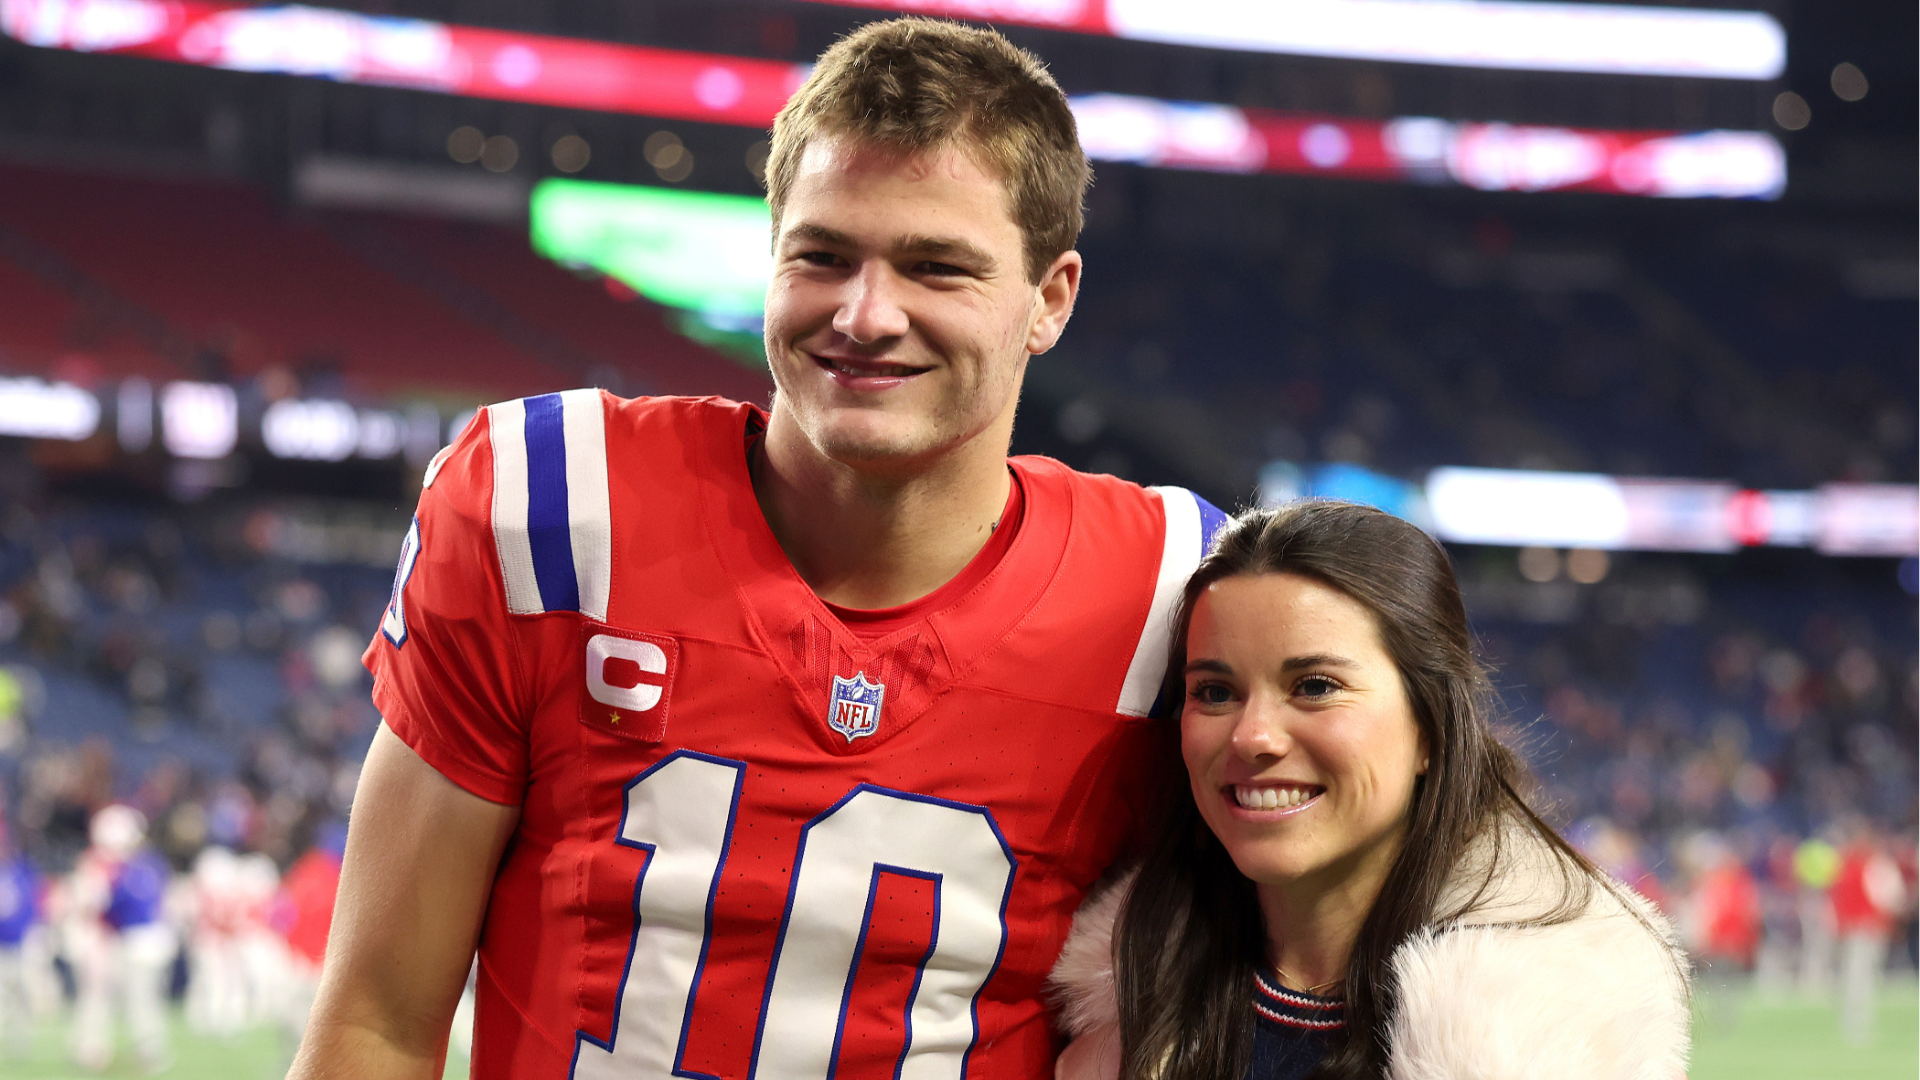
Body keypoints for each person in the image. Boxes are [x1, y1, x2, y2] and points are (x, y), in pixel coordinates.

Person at [290, 17, 1225, 1080]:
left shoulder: (1170, 591)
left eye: (937, 268)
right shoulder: (551, 509)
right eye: (824, 255)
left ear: (1048, 300)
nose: (868, 314)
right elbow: (376, 1021)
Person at [1048, 502, 1691, 1080]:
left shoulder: (1547, 1031)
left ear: (1429, 728)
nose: (1254, 736)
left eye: (1316, 686)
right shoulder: (1114, 998)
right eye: (1215, 692)